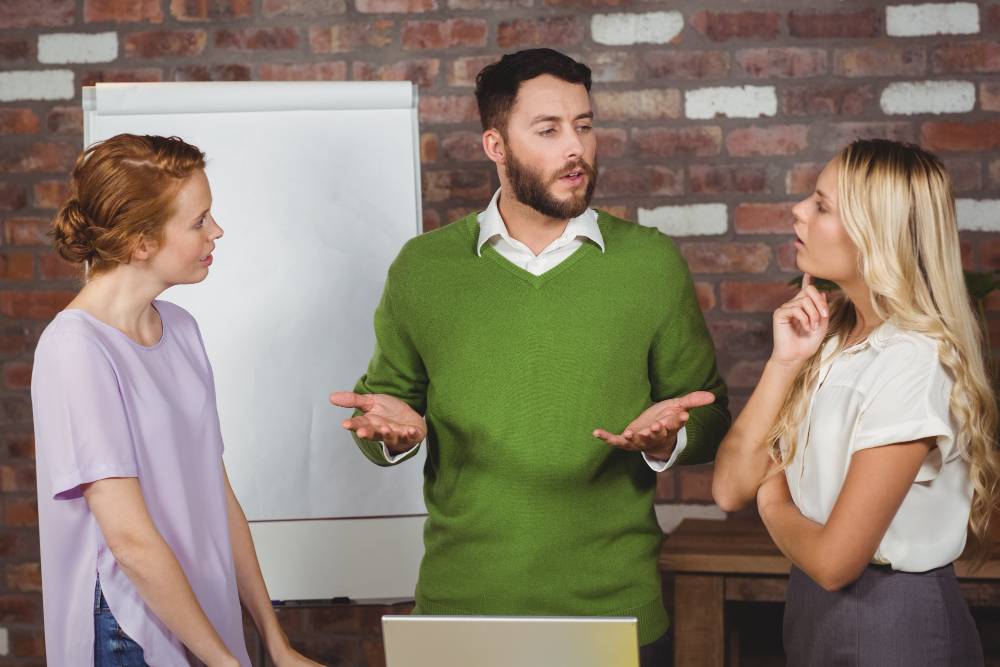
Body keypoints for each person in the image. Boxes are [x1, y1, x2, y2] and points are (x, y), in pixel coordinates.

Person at [330, 48, 730, 663]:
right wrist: (393, 435)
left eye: (585, 126)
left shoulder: (650, 263)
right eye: (548, 130)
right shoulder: (424, 268)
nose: (576, 148)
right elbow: (384, 408)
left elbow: (707, 414)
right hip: (461, 610)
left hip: (613, 609)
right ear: (496, 145)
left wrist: (666, 440)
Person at [31, 134, 321, 667]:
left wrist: (274, 644)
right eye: (198, 221)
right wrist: (226, 663)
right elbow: (129, 540)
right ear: (141, 243)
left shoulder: (182, 330)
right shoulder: (75, 349)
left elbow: (218, 493)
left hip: (200, 613)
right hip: (129, 625)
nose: (217, 231)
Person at [712, 138, 995, 665]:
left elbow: (836, 560)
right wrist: (783, 363)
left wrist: (772, 496)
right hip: (815, 610)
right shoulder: (834, 339)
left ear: (874, 235)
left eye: (821, 205)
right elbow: (729, 489)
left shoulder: (913, 360)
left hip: (891, 620)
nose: (798, 210)